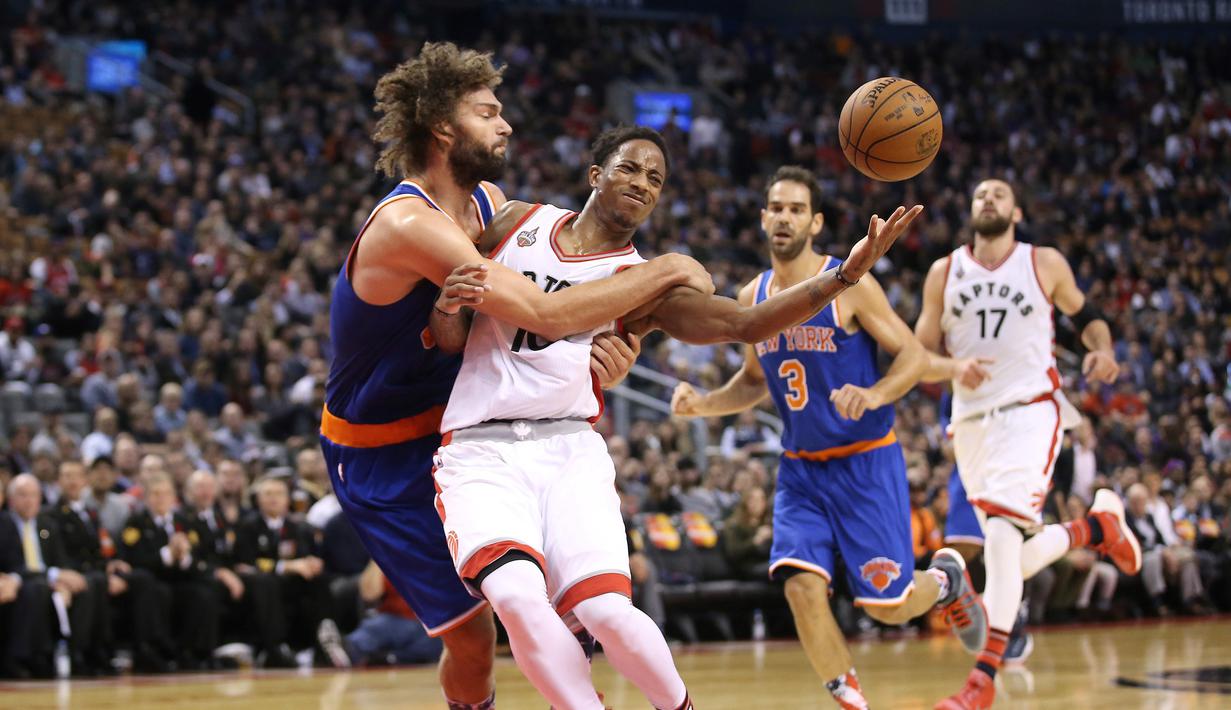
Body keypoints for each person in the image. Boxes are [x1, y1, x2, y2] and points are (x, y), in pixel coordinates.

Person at [429, 129, 917, 709]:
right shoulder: (513, 221)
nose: (641, 183)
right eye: (629, 168)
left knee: (607, 609)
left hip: (568, 446)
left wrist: (841, 277)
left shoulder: (647, 283)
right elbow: (447, 334)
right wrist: (445, 304)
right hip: (481, 447)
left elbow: (745, 323)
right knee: (516, 598)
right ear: (594, 174)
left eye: (655, 179)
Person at [317, 41, 704, 710]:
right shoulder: (409, 223)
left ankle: (586, 653)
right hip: (382, 452)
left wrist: (608, 351)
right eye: (488, 112)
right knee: (470, 639)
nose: (507, 126)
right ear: (444, 128)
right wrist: (664, 269)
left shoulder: (492, 206)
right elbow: (544, 312)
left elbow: (526, 329)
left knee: (526, 605)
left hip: (464, 431)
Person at [671, 166, 982, 709]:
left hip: (866, 463)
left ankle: (949, 577)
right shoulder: (753, 296)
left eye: (796, 209)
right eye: (776, 207)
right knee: (798, 585)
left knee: (889, 606)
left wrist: (876, 394)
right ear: (764, 217)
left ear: (815, 222)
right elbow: (751, 382)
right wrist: (704, 405)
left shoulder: (851, 285)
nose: (784, 217)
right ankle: (851, 701)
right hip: (802, 470)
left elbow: (911, 356)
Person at [914, 178, 1142, 710]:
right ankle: (1096, 526)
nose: (987, 200)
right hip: (969, 422)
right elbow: (918, 351)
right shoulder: (943, 273)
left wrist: (1102, 350)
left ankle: (982, 679)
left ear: (1016, 210)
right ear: (970, 210)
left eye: (998, 194)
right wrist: (944, 368)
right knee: (1007, 551)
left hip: (1031, 411)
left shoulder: (1043, 263)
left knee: (997, 533)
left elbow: (1087, 319)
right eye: (978, 195)